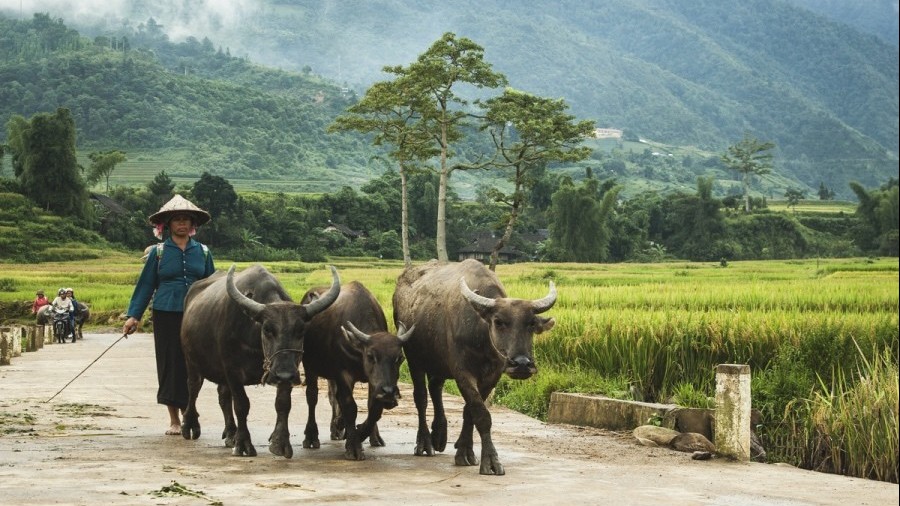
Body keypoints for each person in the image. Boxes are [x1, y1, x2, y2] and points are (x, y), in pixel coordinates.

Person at [122, 194, 215, 436]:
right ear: (168, 225)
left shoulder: (203, 252)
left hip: (197, 315)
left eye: (186, 220)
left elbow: (212, 285)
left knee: (193, 364)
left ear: (193, 225)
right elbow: (146, 285)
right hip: (166, 312)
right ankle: (174, 418)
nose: (182, 224)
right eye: (177, 220)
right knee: (169, 363)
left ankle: (190, 411)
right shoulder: (159, 252)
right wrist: (134, 316)